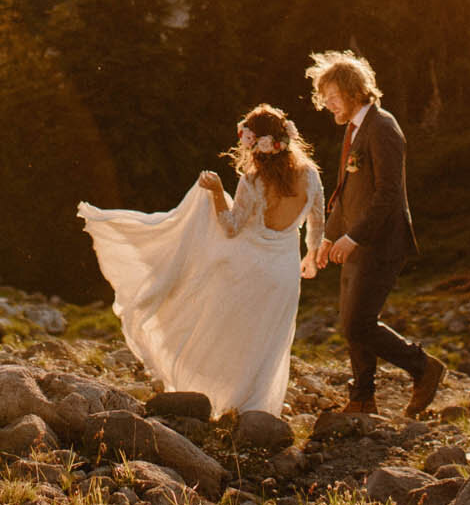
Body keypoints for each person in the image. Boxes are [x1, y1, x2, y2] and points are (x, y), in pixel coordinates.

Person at [76, 105, 323, 416]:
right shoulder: (310, 175)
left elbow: (231, 228)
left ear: (256, 144)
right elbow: (317, 222)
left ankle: (227, 399)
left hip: (248, 268)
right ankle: (257, 409)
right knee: (270, 341)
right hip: (284, 272)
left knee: (233, 333)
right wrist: (311, 257)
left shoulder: (253, 180)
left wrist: (218, 192)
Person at [309, 48, 445, 417]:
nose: (328, 106)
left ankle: (423, 367)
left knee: (358, 322)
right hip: (353, 242)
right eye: (325, 99)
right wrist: (327, 238)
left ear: (354, 91)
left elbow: (389, 194)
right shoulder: (354, 131)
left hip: (381, 241)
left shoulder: (383, 127)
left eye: (333, 98)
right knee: (353, 322)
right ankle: (362, 398)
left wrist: (354, 238)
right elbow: (344, 189)